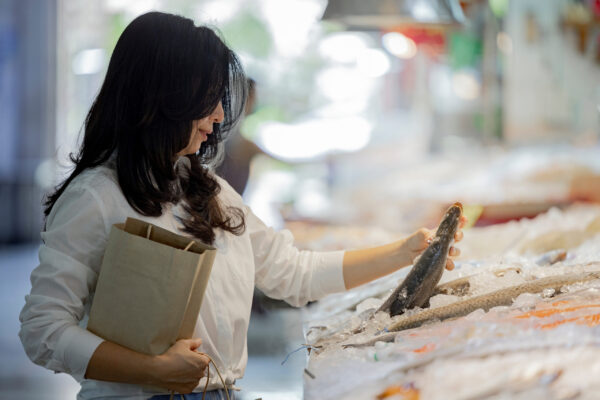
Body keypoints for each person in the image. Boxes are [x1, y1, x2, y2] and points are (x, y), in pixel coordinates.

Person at [18, 11, 466, 400]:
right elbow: (43, 330)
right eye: (208, 98)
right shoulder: (95, 198)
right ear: (165, 96)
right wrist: (151, 370)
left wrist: (404, 252)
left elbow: (293, 273)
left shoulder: (207, 189)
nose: (218, 116)